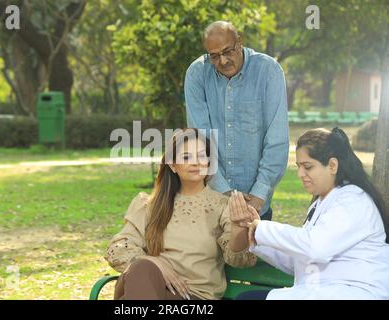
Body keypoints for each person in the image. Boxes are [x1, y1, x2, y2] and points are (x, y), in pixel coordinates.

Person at [230, 127, 389, 299]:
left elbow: (316, 248)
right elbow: (302, 260)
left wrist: (263, 229)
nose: (300, 174)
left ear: (333, 165)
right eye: (298, 167)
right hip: (324, 291)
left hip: (354, 293)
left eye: (308, 167)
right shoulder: (322, 203)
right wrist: (256, 236)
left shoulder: (353, 200)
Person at [104, 128, 257, 300]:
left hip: (195, 298)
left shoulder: (222, 206)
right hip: (148, 286)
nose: (196, 163)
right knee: (141, 269)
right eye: (186, 157)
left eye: (201, 156)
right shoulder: (150, 205)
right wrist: (156, 263)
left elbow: (239, 259)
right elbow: (117, 248)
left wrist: (238, 227)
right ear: (172, 165)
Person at [184, 20, 289, 221]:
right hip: (212, 201)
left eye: (228, 51)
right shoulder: (197, 73)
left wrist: (259, 194)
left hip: (257, 205)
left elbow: (277, 140)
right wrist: (224, 194)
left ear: (239, 42)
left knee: (253, 253)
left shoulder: (269, 71)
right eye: (214, 56)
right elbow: (201, 142)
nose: (222, 61)